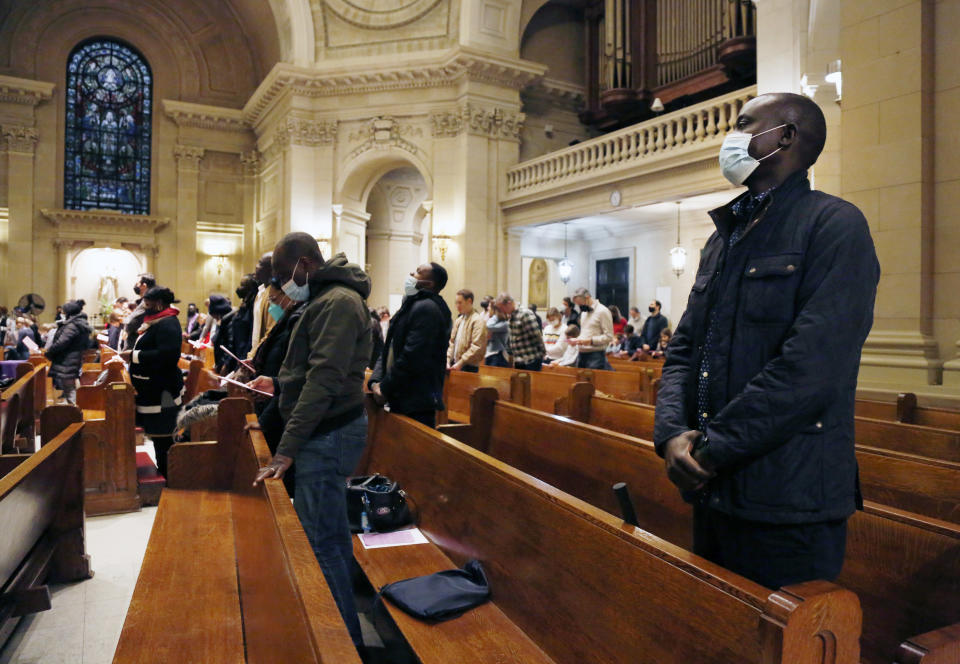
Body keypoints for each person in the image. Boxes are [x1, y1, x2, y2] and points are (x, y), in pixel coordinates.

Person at [654, 92, 880, 590]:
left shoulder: (834, 225)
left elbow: (811, 369)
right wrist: (671, 433)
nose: (729, 138)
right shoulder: (724, 236)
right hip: (713, 489)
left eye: (742, 124)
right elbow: (686, 348)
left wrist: (710, 450)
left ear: (785, 136)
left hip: (788, 497)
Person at [250, 233, 372, 653]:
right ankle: (343, 640)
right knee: (329, 539)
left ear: (305, 263)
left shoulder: (338, 301)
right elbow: (308, 369)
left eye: (285, 275)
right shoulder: (325, 297)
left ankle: (341, 647)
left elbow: (325, 380)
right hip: (324, 428)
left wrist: (286, 447)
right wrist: (281, 382)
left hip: (328, 431)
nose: (283, 284)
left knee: (321, 545)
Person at [369, 263, 451, 428]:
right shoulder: (412, 305)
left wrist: (385, 387)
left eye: (418, 273)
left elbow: (412, 357)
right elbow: (390, 347)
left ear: (429, 284)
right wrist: (375, 381)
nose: (411, 273)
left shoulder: (428, 309)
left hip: (416, 401)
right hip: (401, 395)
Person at [120, 287, 184, 479]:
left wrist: (134, 355)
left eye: (147, 304)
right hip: (152, 389)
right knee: (158, 436)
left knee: (164, 436)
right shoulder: (157, 321)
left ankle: (169, 477)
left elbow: (168, 356)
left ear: (159, 304)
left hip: (162, 391)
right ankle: (164, 473)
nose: (144, 308)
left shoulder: (168, 324)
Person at [46, 300, 92, 404]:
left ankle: (76, 412)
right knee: (69, 387)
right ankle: (74, 410)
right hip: (73, 358)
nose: (62, 314)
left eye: (63, 312)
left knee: (69, 388)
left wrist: (49, 353)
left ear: (69, 313)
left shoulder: (72, 326)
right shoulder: (79, 323)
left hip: (67, 360)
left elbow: (62, 342)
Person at [216, 275, 257, 374]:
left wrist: (240, 363)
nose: (239, 288)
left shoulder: (253, 307)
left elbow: (249, 338)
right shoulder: (244, 305)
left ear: (250, 288)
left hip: (243, 358)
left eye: (242, 285)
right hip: (236, 355)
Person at [496, 293, 545, 371]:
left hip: (531, 360)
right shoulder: (511, 316)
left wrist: (542, 354)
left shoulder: (525, 314)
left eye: (502, 308)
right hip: (520, 360)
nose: (502, 311)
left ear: (509, 303)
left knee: (531, 383)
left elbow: (536, 336)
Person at [568, 288, 612, 370]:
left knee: (592, 382)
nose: (580, 307)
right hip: (581, 354)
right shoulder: (584, 312)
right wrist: (577, 340)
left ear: (587, 297)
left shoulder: (603, 311)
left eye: (581, 304)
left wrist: (591, 341)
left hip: (596, 356)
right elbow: (585, 333)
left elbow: (609, 336)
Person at [447, 289, 486, 373]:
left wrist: (460, 363)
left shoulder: (477, 320)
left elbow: (477, 347)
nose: (457, 306)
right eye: (456, 303)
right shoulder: (459, 320)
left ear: (469, 301)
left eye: (460, 303)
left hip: (469, 366)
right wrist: (447, 360)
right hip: (455, 363)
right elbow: (452, 342)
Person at [122, 272, 156, 351]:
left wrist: (127, 319)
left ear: (144, 286)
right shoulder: (141, 302)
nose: (136, 286)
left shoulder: (148, 302)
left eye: (137, 283)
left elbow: (131, 322)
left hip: (138, 347)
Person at [249, 252, 275, 355]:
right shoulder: (260, 293)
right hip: (254, 353)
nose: (256, 266)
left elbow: (271, 330)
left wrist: (253, 355)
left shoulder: (274, 296)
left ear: (271, 270)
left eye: (260, 263)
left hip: (262, 355)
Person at [484, 302, 510, 367]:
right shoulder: (495, 322)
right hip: (489, 354)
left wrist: (495, 315)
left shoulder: (504, 324)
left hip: (498, 356)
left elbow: (488, 326)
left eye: (489, 306)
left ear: (494, 309)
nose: (487, 308)